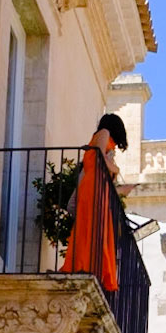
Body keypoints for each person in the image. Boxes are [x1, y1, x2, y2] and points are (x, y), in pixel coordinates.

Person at [61, 113, 128, 292]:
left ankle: (89, 265)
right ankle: (83, 264)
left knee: (95, 227)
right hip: (93, 184)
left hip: (99, 186)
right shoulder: (104, 133)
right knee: (90, 224)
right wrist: (117, 168)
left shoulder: (106, 139)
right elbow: (99, 158)